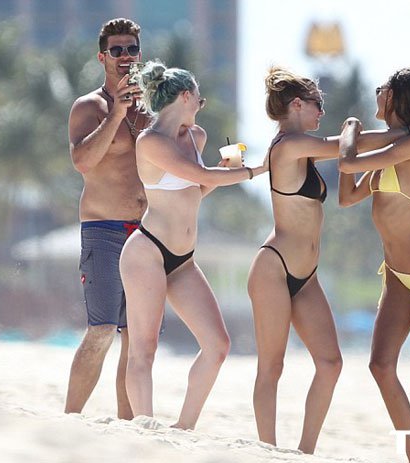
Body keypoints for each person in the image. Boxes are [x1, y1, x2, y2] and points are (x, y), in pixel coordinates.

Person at [247, 67, 410, 454]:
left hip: (306, 276)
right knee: (272, 366)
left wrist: (407, 135)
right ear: (296, 105)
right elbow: (344, 147)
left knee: (330, 364)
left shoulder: (303, 147)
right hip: (274, 268)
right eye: (317, 104)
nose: (321, 111)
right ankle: (266, 450)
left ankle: (304, 452)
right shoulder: (287, 145)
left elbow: (353, 150)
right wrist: (407, 132)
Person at [119, 61, 268, 427]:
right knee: (144, 349)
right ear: (185, 97)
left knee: (217, 346)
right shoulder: (150, 142)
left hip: (183, 259)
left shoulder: (196, 137)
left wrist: (223, 170)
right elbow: (201, 174)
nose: (201, 106)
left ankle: (183, 427)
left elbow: (197, 188)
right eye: (199, 99)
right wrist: (260, 169)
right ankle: (145, 426)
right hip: (147, 252)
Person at [338, 68, 410, 463]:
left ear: (395, 97)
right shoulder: (397, 148)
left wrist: (351, 127)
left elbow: (349, 158)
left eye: (380, 89)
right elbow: (346, 195)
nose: (376, 94)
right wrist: (350, 145)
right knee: (381, 366)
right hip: (396, 275)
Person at [65, 18, 148, 419]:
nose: (125, 56)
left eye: (131, 49)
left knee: (137, 336)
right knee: (101, 330)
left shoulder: (151, 110)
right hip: (104, 230)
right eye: (117, 50)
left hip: (147, 233)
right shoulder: (90, 107)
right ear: (102, 57)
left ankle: (126, 425)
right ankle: (70, 418)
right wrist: (117, 113)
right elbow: (82, 161)